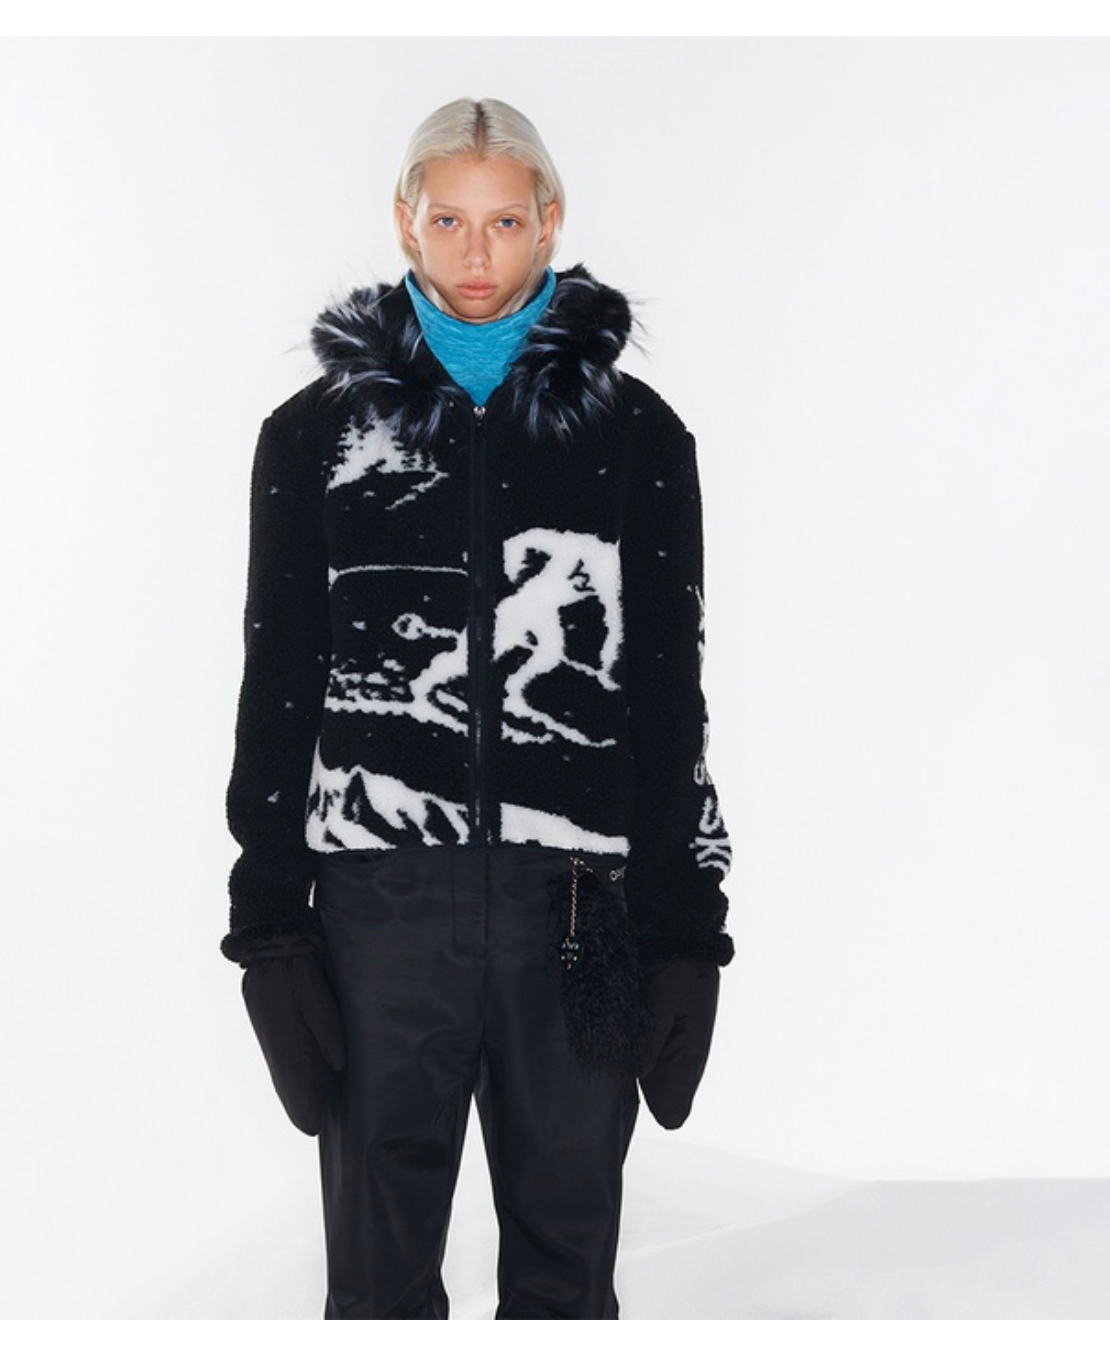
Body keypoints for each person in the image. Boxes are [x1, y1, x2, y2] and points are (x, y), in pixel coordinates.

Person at [221, 97, 734, 1321]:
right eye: (448, 219)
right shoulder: (315, 435)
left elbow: (670, 692)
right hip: (380, 906)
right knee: (377, 1278)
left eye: (504, 221)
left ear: (549, 222)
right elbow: (280, 678)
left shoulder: (636, 435)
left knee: (568, 1263)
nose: (475, 252)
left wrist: (684, 927)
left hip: (578, 905)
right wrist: (270, 923)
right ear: (405, 222)